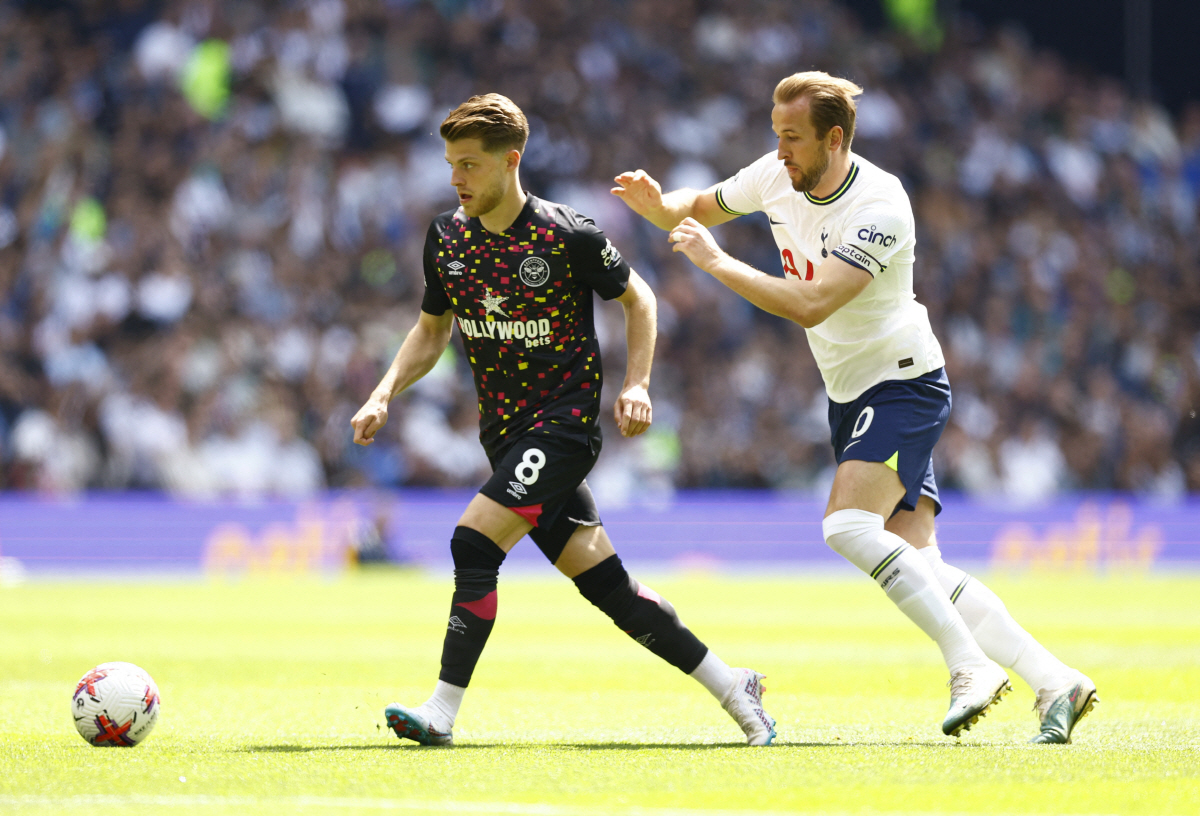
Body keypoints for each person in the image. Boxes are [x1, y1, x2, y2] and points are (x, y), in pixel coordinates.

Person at [612, 72, 1097, 744]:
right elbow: (692, 205)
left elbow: (811, 303)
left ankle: (970, 669)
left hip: (903, 384)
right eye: (775, 135)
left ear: (833, 138)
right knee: (920, 562)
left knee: (844, 525)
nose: (779, 151)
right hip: (849, 392)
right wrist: (656, 203)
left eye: (792, 138)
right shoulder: (775, 173)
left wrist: (717, 264)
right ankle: (1056, 681)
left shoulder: (881, 204)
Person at [351, 93, 775, 747]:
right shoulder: (448, 240)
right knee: (612, 590)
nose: (456, 179)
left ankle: (441, 710)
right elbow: (431, 330)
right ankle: (733, 685)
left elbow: (641, 300)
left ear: (509, 162)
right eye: (450, 165)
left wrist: (636, 384)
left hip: (564, 428)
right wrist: (384, 392)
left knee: (473, 543)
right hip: (506, 439)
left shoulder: (565, 235)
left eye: (468, 165)